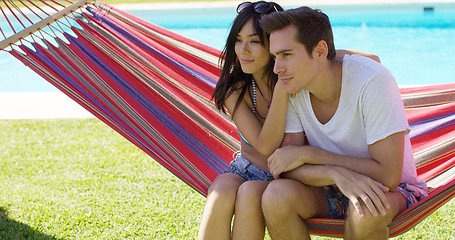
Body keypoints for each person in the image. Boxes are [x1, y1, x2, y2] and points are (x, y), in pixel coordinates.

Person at [198, 2, 381, 239]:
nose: (243, 50)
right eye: (238, 40)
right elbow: (263, 147)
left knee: (249, 194)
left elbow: (373, 60)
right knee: (220, 193)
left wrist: (322, 55)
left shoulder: (298, 75)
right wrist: (282, 92)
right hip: (248, 167)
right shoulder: (237, 89)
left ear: (274, 44)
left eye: (254, 41)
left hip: (287, 174)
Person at [260, 6, 428, 239]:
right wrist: (334, 174)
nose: (277, 68)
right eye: (275, 57)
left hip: (392, 190)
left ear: (320, 51)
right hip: (329, 187)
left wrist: (312, 155)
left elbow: (389, 176)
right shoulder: (293, 87)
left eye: (287, 54)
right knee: (275, 196)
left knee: (365, 211)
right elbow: (286, 168)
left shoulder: (372, 81)